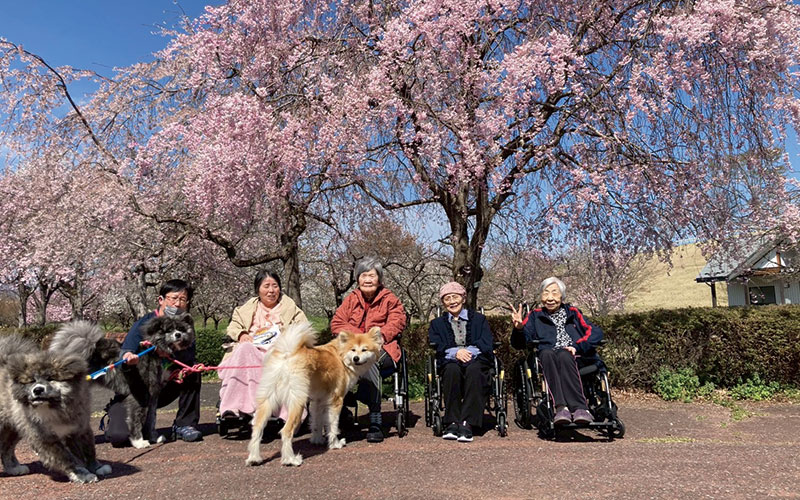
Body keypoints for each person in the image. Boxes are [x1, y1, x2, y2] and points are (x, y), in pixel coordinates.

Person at [330, 256, 407, 443]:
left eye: (372, 276)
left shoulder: (390, 299)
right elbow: (337, 323)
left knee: (369, 359)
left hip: (382, 349)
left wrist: (376, 338)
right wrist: (361, 337)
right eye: (363, 276)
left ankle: (375, 417)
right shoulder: (351, 299)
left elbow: (398, 321)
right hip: (352, 350)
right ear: (358, 279)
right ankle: (339, 411)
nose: (367, 280)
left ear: (379, 279)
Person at [509, 277, 603, 426]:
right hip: (548, 358)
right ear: (541, 296)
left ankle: (579, 408)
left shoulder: (573, 313)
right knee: (547, 353)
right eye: (546, 293)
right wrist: (519, 329)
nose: (550, 298)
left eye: (554, 293)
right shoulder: (535, 316)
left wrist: (577, 346)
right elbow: (519, 344)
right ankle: (561, 408)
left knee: (564, 354)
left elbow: (595, 333)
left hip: (575, 356)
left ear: (562, 296)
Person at [118, 279, 202, 442]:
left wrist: (170, 353)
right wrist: (129, 358)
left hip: (167, 385)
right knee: (119, 437)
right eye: (173, 298)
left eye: (182, 299)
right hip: (139, 388)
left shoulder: (185, 325)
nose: (177, 304)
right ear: (161, 300)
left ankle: (184, 424)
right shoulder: (144, 323)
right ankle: (118, 414)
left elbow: (189, 356)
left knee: (192, 370)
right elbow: (126, 351)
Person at [219, 270, 308, 421]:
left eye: (275, 286)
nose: (271, 290)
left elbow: (304, 329)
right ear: (258, 289)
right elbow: (233, 327)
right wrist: (242, 334)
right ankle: (234, 406)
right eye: (266, 286)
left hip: (279, 352)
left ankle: (281, 411)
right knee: (244, 349)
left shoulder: (291, 309)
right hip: (251, 351)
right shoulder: (245, 310)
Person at [428, 281, 494, 443]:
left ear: (463, 298)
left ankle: (467, 422)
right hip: (450, 360)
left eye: (455, 297)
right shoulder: (436, 324)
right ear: (443, 302)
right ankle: (452, 421)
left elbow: (486, 341)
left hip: (476, 358)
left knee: (474, 370)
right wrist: (456, 353)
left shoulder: (479, 319)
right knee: (451, 370)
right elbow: (437, 344)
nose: (452, 301)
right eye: (447, 298)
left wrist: (469, 352)